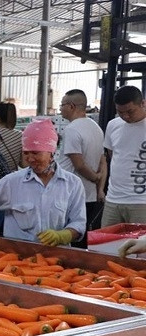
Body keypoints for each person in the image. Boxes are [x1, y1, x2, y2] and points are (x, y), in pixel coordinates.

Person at [0, 119, 86, 249]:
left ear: (51, 152)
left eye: (35, 152)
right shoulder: (13, 182)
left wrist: (63, 236)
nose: (30, 158)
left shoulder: (72, 184)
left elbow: (78, 223)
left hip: (56, 257)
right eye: (26, 153)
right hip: (18, 256)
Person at [56, 89, 106, 248]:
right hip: (89, 195)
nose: (60, 108)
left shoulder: (72, 129)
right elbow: (103, 162)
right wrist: (100, 188)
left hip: (70, 194)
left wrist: (95, 178)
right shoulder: (96, 128)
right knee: (82, 239)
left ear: (71, 106)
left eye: (62, 105)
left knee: (70, 238)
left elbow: (79, 164)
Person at [101, 85, 146, 228]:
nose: (125, 116)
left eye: (130, 111)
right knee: (106, 241)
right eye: (120, 112)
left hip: (141, 202)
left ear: (143, 103)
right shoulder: (113, 125)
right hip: (114, 199)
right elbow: (112, 156)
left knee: (140, 242)